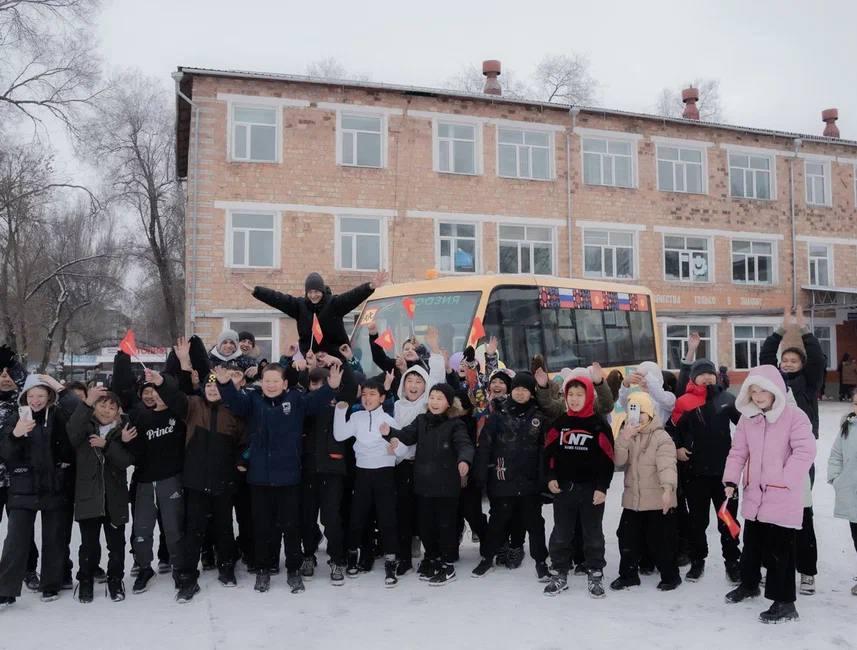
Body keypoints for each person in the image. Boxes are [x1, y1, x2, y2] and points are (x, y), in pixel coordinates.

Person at [217, 361, 342, 594]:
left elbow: (315, 403)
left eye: (275, 381)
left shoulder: (295, 400)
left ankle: (294, 571)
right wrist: (225, 384)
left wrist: (331, 388)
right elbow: (235, 403)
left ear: (284, 383)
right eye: (267, 381)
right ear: (261, 383)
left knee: (291, 527)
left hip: (289, 478)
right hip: (260, 478)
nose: (271, 385)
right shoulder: (253, 400)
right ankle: (263, 569)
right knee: (262, 527)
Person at [152, 345, 247, 602]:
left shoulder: (234, 412)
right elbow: (174, 397)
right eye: (208, 387)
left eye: (216, 388)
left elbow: (244, 443)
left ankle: (227, 568)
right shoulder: (193, 406)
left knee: (224, 528)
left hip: (224, 481)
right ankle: (186, 577)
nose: (212, 390)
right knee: (193, 531)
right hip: (195, 482)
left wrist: (240, 463)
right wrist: (160, 381)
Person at [722, 365, 816, 624]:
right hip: (755, 495)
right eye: (753, 390)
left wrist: (785, 480)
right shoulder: (747, 418)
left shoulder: (795, 417)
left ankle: (785, 602)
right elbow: (738, 451)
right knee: (752, 546)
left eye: (763, 390)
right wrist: (731, 479)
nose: (758, 395)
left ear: (775, 389)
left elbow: (805, 452)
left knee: (780, 552)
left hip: (782, 496)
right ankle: (750, 584)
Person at [759, 309, 824, 595]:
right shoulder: (774, 385)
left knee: (803, 513)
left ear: (802, 364)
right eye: (784, 360)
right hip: (773, 455)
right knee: (771, 513)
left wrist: (805, 332)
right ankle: (771, 564)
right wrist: (779, 332)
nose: (787, 364)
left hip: (800, 457)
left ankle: (807, 571)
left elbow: (819, 361)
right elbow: (764, 360)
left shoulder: (809, 385)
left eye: (793, 360)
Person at [383, 383, 474, 586]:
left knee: (445, 527)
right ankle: (432, 557)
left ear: (448, 403)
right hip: (424, 485)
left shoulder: (455, 424)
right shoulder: (421, 420)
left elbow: (464, 444)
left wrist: (464, 461)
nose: (434, 402)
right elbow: (407, 435)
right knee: (425, 527)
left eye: (439, 398)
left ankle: (447, 564)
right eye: (432, 397)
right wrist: (389, 432)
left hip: (446, 487)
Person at [0, 374, 77, 606]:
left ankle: (50, 584)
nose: (36, 400)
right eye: (31, 396)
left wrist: (60, 387)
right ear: (24, 397)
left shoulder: (58, 415)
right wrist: (15, 434)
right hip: (22, 489)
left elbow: (78, 416)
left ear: (49, 397)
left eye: (41, 395)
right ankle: (6, 589)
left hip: (53, 487)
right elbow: (4, 451)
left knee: (54, 538)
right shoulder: (16, 418)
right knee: (15, 540)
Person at [472, 371, 551, 582]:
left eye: (525, 389)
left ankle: (541, 562)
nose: (520, 392)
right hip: (502, 478)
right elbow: (485, 446)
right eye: (516, 388)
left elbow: (546, 452)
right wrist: (481, 475)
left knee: (535, 523)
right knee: (497, 520)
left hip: (530, 482)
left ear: (531, 393)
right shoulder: (499, 415)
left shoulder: (539, 418)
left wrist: (544, 481)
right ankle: (487, 558)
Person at [542, 375, 614, 598]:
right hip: (565, 489)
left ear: (589, 397)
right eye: (570, 395)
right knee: (561, 533)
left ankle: (595, 573)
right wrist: (551, 476)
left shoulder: (599, 424)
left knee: (593, 533)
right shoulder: (560, 423)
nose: (574, 399)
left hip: (591, 490)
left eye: (579, 395)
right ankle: (559, 572)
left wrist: (602, 487)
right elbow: (549, 454)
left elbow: (607, 459)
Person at [672, 356, 741, 584]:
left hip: (725, 476)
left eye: (710, 373)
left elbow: (745, 427)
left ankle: (733, 561)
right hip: (696, 474)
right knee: (697, 522)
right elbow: (672, 431)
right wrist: (678, 448)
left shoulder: (726, 398)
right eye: (701, 373)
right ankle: (697, 560)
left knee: (728, 521)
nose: (706, 377)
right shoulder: (683, 402)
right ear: (693, 378)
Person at [66, 386, 135, 603]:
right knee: (89, 544)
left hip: (115, 498)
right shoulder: (84, 428)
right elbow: (71, 434)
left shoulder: (125, 430)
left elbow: (126, 461)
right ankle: (85, 580)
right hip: (89, 496)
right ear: (94, 407)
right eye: (102, 405)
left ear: (118, 411)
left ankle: (115, 580)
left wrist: (108, 445)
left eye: (111, 407)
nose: (106, 410)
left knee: (116, 544)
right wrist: (86, 403)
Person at [333, 378, 404, 586]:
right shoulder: (356, 417)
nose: (367, 398)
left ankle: (391, 560)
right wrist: (339, 411)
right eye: (364, 394)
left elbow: (403, 448)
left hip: (384, 473)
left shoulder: (389, 420)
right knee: (357, 516)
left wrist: (394, 448)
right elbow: (339, 435)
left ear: (382, 398)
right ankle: (354, 554)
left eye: (373, 394)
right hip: (362, 472)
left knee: (387, 517)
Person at [610, 392, 681, 592]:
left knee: (662, 541)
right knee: (626, 537)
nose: (638, 416)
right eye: (633, 410)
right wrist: (624, 439)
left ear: (650, 413)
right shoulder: (627, 434)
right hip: (633, 500)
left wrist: (668, 489)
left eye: (642, 411)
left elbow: (667, 465)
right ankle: (628, 575)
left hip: (659, 501)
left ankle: (670, 576)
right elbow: (619, 462)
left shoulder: (661, 436)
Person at [298, 363, 357, 585]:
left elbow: (351, 387)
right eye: (313, 383)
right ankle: (308, 554)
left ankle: (336, 558)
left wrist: (345, 361)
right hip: (308, 468)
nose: (318, 387)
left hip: (332, 468)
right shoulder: (303, 402)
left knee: (331, 516)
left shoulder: (339, 402)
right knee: (306, 516)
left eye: (321, 383)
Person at [243, 271, 387, 357]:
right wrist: (257, 291)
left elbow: (352, 296)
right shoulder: (299, 306)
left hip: (336, 355)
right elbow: (277, 298)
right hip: (311, 357)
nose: (313, 295)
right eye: (310, 292)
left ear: (322, 291)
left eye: (317, 291)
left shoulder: (334, 304)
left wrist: (370, 287)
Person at [826, 388, 857, 596]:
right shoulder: (848, 427)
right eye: (855, 403)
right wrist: (836, 478)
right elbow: (836, 454)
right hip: (852, 492)